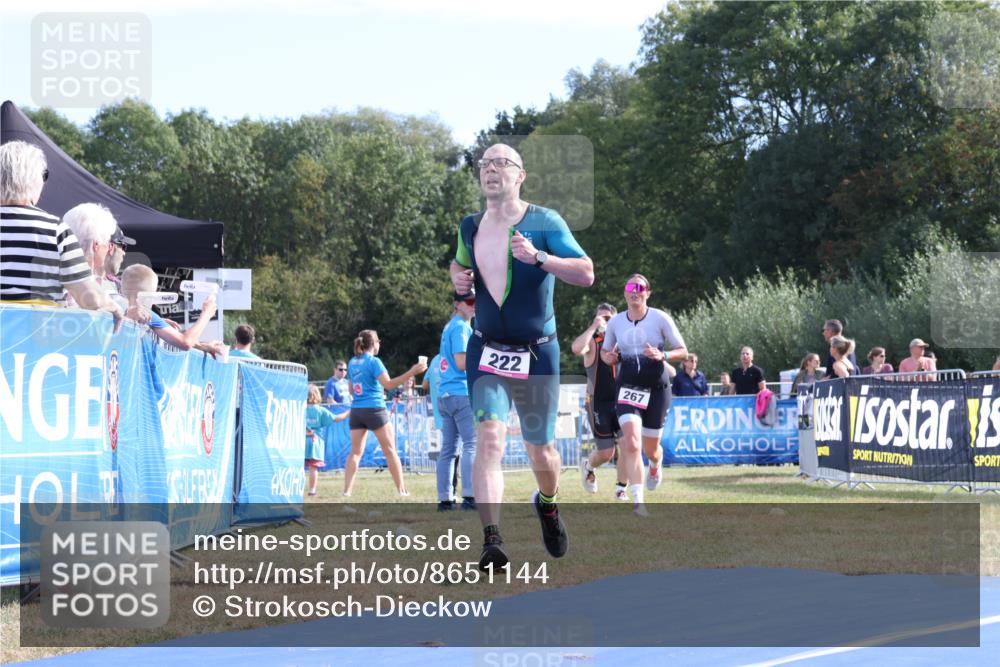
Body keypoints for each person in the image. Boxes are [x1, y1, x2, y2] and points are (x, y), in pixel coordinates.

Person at [450, 143, 593, 571]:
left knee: (541, 450)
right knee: (489, 439)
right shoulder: (470, 226)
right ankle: (492, 539)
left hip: (536, 352)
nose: (492, 170)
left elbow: (587, 273)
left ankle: (547, 504)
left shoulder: (544, 222)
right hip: (487, 349)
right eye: (485, 164)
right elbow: (459, 271)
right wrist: (459, 282)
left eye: (502, 164)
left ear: (520, 175)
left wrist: (540, 258)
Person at [0, 140, 122, 327]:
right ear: (34, 179)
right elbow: (89, 299)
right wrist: (113, 306)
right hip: (31, 343)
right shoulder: (55, 230)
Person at [601, 274, 687, 516]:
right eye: (630, 287)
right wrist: (608, 357)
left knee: (651, 449)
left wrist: (664, 356)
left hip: (657, 390)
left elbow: (683, 351)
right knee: (631, 441)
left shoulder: (660, 318)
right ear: (625, 293)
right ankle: (638, 501)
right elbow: (606, 352)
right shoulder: (616, 322)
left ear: (648, 293)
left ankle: (656, 464)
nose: (634, 291)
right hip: (627, 387)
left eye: (640, 288)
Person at [342, 329, 427, 497]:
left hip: (357, 411)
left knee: (355, 453)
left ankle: (346, 492)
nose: (380, 344)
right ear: (373, 344)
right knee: (390, 451)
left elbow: (351, 389)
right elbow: (388, 385)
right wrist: (412, 372)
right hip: (375, 409)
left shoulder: (352, 362)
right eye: (379, 341)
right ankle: (402, 491)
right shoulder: (374, 362)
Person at [571, 303, 629, 501]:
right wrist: (594, 326)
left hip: (621, 401)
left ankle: (621, 488)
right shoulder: (593, 342)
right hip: (598, 403)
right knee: (606, 452)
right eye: (602, 318)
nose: (605, 322)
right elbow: (577, 349)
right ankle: (589, 466)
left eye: (609, 319)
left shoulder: (621, 341)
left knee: (627, 444)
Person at [435, 292, 478, 512]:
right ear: (457, 304)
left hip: (446, 394)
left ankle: (445, 499)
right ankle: (470, 497)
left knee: (448, 449)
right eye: (469, 301)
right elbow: (462, 363)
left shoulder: (450, 325)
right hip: (461, 392)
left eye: (476, 301)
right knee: (472, 444)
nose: (474, 305)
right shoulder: (461, 326)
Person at [120, 264, 223, 355]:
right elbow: (185, 342)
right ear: (150, 295)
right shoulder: (147, 314)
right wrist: (206, 313)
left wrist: (202, 346)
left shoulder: (114, 309)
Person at [61, 203, 128, 311]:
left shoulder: (53, 270)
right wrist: (119, 310)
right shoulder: (80, 283)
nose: (108, 248)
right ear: (96, 245)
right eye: (107, 242)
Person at [304, 384, 347, 496]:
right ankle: (312, 490)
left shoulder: (300, 409)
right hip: (315, 442)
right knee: (313, 467)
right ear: (317, 395)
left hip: (301, 441)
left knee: (299, 466)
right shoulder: (320, 410)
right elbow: (336, 418)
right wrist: (349, 412)